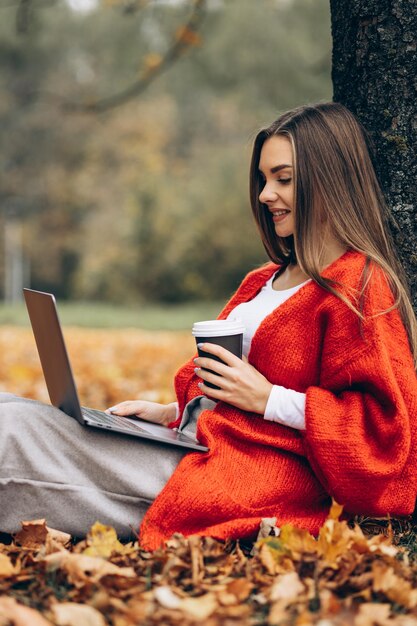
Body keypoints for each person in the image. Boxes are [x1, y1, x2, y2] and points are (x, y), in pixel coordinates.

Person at [1, 102, 416, 551]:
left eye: (284, 179)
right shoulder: (262, 281)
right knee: (6, 406)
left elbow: (384, 435)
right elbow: (225, 388)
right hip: (191, 442)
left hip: (237, 473)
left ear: (329, 180)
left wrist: (269, 399)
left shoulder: (358, 285)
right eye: (263, 180)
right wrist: (167, 413)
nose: (264, 195)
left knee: (13, 431)